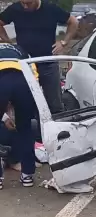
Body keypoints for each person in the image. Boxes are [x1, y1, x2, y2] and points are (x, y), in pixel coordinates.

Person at [0, 0, 78, 114]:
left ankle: (57, 128)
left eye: (29, 3)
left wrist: (64, 42)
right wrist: (9, 42)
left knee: (55, 104)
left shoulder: (51, 9)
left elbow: (73, 22)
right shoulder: (15, 9)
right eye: (23, 4)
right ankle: (27, 128)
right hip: (26, 65)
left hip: (48, 63)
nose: (25, 6)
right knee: (24, 103)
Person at [0, 43, 39, 189]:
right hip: (25, 82)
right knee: (25, 128)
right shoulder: (19, 48)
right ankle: (27, 175)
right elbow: (34, 72)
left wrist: (4, 117)